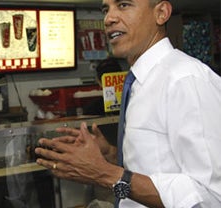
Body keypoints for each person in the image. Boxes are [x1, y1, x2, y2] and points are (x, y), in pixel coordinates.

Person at [35, 0, 221, 207]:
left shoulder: (185, 79)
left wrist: (104, 174)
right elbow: (159, 169)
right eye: (106, 9)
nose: (108, 18)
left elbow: (211, 197)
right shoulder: (140, 81)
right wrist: (112, 156)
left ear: (161, 13)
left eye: (123, 5)